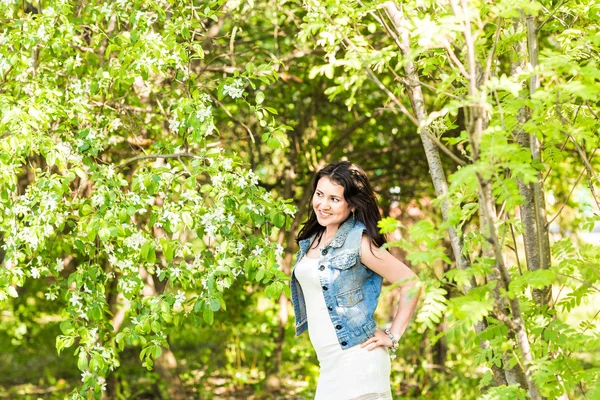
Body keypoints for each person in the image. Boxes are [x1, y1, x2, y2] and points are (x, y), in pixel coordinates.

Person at [290, 161, 421, 400]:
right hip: (329, 366)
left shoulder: (358, 242)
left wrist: (393, 335)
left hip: (359, 363)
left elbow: (411, 283)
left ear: (351, 204)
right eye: (320, 195)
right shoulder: (313, 238)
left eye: (334, 199)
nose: (323, 204)